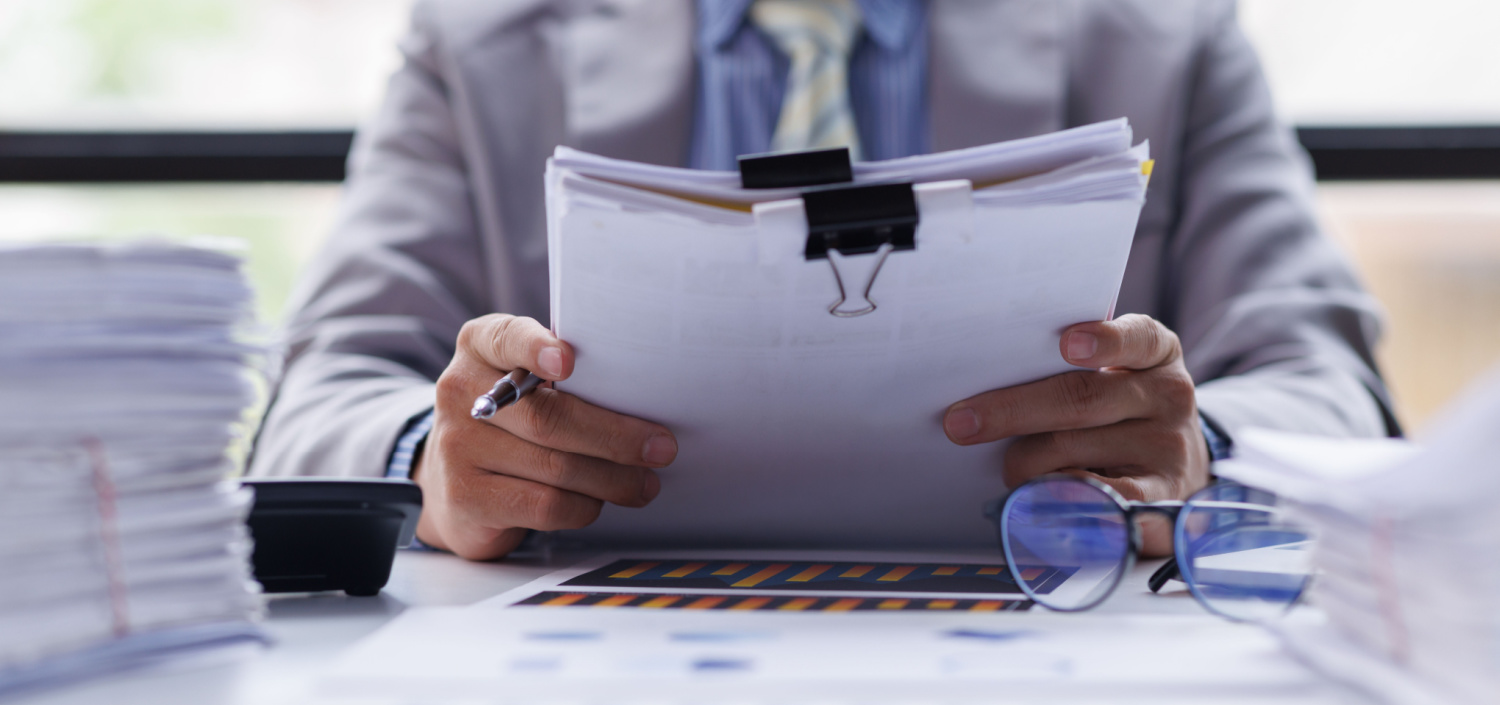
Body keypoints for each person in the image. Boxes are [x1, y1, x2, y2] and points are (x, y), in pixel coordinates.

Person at [249, 0, 1399, 560]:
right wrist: (437, 463)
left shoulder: (1163, 34)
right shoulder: (477, 45)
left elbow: (1332, 394)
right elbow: (319, 397)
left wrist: (1199, 458)